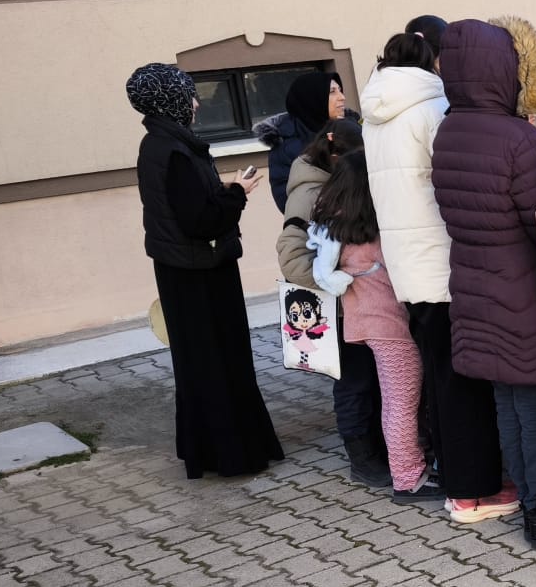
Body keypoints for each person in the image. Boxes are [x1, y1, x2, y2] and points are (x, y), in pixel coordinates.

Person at [433, 16, 536, 551]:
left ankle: (527, 498)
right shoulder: (516, 135)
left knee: (505, 399)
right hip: (518, 283)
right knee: (534, 403)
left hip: (471, 279)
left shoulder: (447, 131)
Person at [363, 28, 519, 523]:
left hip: (407, 264)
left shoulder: (376, 113)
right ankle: (473, 492)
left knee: (438, 375)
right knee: (462, 379)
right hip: (441, 259)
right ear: (435, 60)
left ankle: (455, 478)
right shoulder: (433, 107)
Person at [125, 62, 283, 479]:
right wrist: (236, 194)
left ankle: (218, 451)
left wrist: (222, 190)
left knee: (204, 363)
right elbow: (199, 221)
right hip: (198, 273)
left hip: (190, 269)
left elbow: (187, 207)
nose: (196, 103)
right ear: (171, 100)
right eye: (188, 94)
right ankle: (232, 455)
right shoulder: (173, 150)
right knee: (217, 362)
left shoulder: (165, 143)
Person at [308, 150, 439, 503]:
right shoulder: (373, 234)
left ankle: (408, 470)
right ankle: (408, 479)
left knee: (395, 402)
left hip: (364, 323)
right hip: (388, 327)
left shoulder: (338, 227)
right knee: (401, 403)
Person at [275, 117, 389, 489]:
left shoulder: (334, 181)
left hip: (359, 306)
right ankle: (363, 459)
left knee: (370, 380)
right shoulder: (309, 194)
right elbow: (292, 258)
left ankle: (380, 450)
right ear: (338, 157)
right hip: (338, 309)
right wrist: (338, 280)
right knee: (354, 384)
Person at [262, 70, 350, 211]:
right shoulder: (286, 145)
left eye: (340, 90)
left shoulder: (352, 130)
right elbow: (288, 201)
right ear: (313, 99)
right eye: (332, 92)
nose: (342, 97)